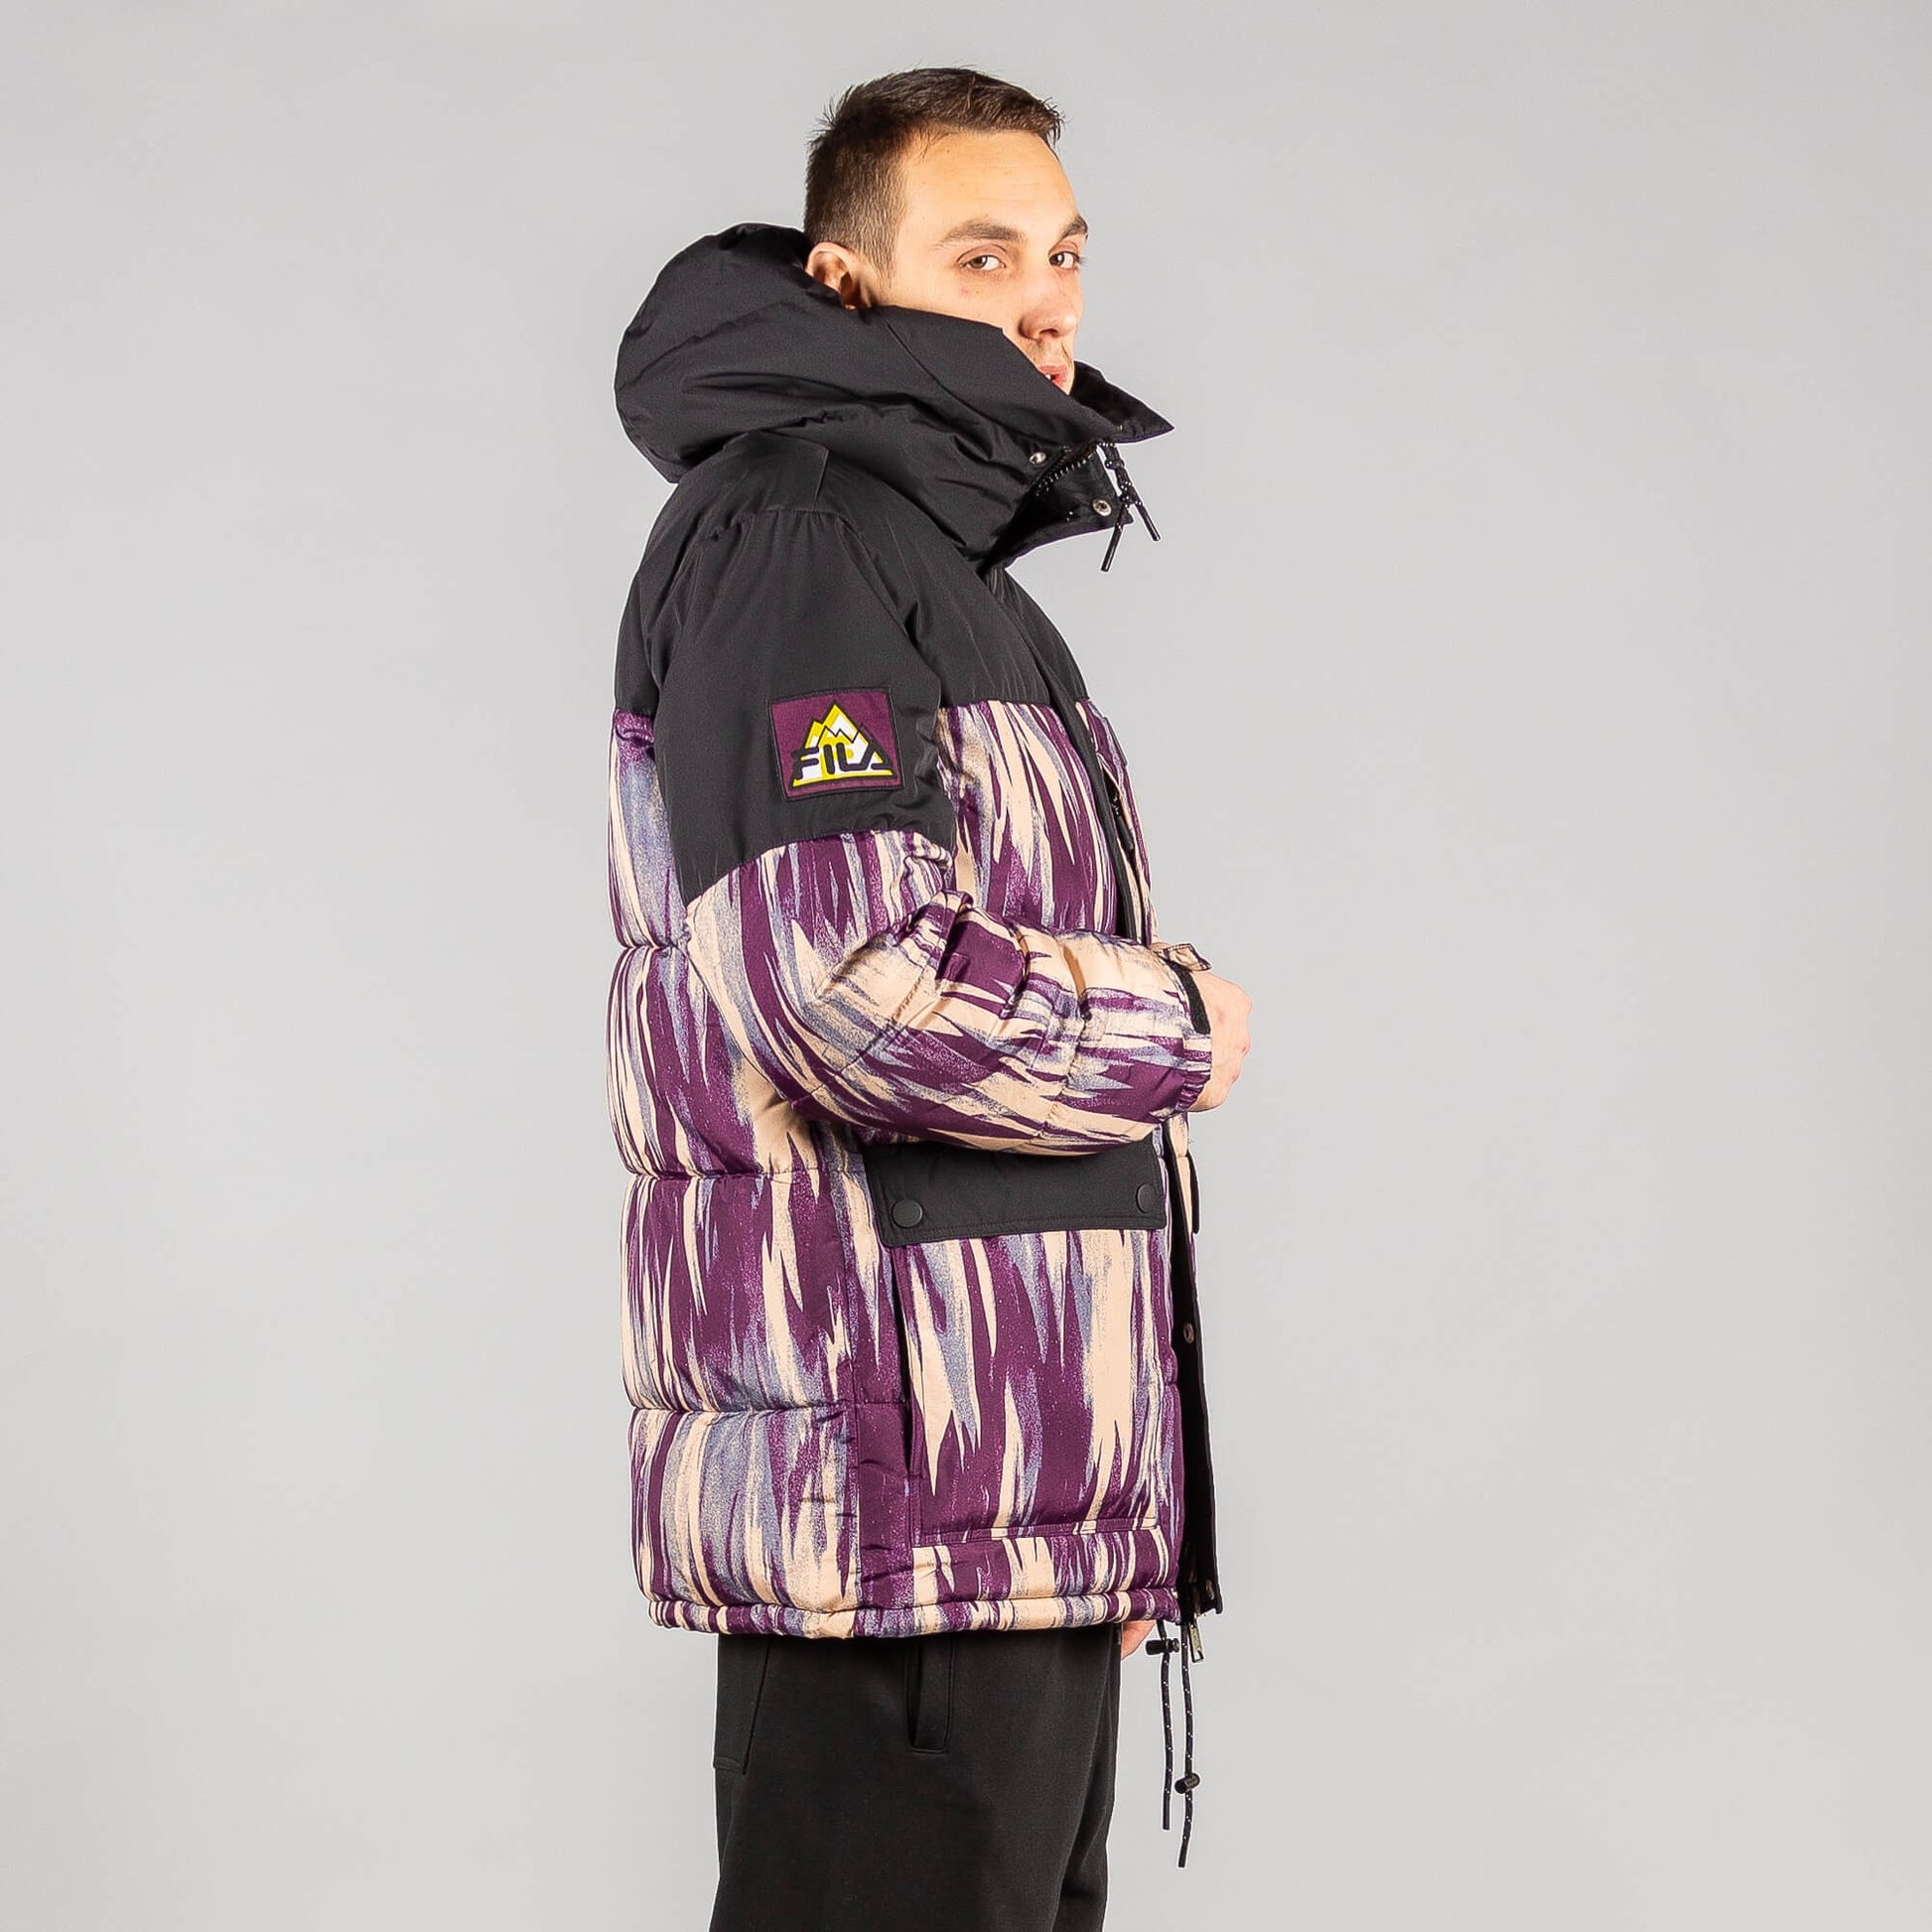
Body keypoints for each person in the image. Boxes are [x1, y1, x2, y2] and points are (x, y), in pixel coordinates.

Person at [605, 66, 1252, 1931]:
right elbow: (851, 990)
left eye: (1063, 251)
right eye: (983, 254)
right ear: (846, 278)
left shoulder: (925, 559)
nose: (1046, 297)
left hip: (1002, 1481)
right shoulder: (801, 536)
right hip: (901, 1491)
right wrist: (1178, 1025)